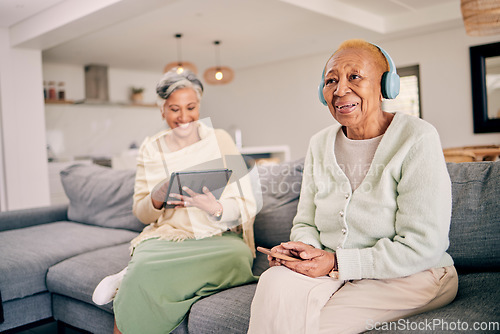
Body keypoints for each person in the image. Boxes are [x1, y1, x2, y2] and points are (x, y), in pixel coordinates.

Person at [248, 39, 458, 334]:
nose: (340, 90)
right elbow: (305, 221)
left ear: (386, 86)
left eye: (354, 77)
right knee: (273, 281)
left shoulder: (417, 138)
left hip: (413, 275)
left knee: (309, 325)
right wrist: (305, 252)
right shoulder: (319, 143)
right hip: (339, 272)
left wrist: (336, 263)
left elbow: (423, 245)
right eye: (330, 80)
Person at [92, 69, 258, 334]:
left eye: (190, 107)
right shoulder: (151, 147)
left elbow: (246, 201)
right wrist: (157, 197)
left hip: (218, 237)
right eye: (174, 109)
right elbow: (141, 214)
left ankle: (128, 278)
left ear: (199, 106)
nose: (183, 117)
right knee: (146, 265)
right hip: (171, 236)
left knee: (238, 257)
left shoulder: (220, 139)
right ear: (162, 111)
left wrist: (214, 206)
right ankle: (135, 275)